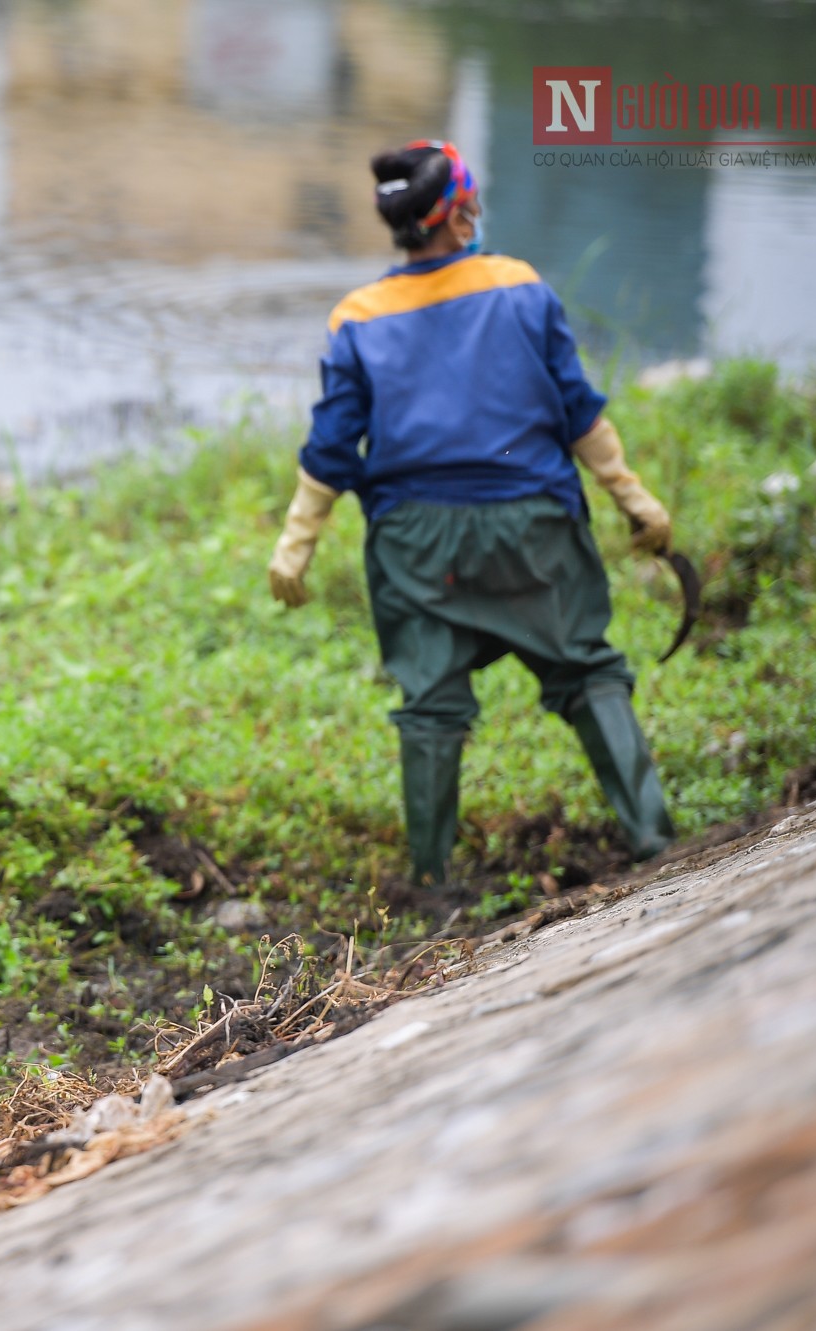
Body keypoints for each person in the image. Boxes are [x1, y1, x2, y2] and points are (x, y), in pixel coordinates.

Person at [266, 140, 675, 888]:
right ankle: (654, 837)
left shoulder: (356, 316)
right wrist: (633, 498)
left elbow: (331, 445)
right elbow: (579, 413)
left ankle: (430, 882)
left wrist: (296, 543)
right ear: (456, 216)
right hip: (534, 526)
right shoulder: (520, 287)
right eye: (472, 206)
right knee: (587, 670)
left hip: (416, 544)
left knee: (431, 702)